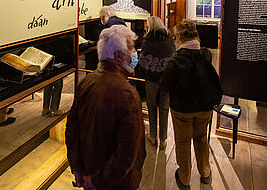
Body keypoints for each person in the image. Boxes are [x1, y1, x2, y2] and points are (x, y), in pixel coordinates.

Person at [66, 25, 146, 190]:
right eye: (131, 48)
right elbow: (127, 152)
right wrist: (96, 180)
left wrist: (77, 168)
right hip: (117, 183)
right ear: (117, 55)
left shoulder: (86, 82)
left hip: (88, 173)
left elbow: (72, 130)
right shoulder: (127, 94)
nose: (134, 53)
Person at [160, 19, 218, 188]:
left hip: (182, 110)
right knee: (201, 138)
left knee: (183, 142)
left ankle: (184, 178)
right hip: (204, 107)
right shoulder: (206, 54)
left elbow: (165, 85)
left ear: (178, 36)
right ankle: (205, 172)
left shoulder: (175, 60)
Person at [138, 16, 175, 150]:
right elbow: (172, 58)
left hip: (151, 79)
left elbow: (143, 61)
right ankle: (164, 139)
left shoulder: (147, 41)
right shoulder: (169, 39)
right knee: (164, 108)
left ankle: (153, 136)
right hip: (166, 79)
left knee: (151, 106)